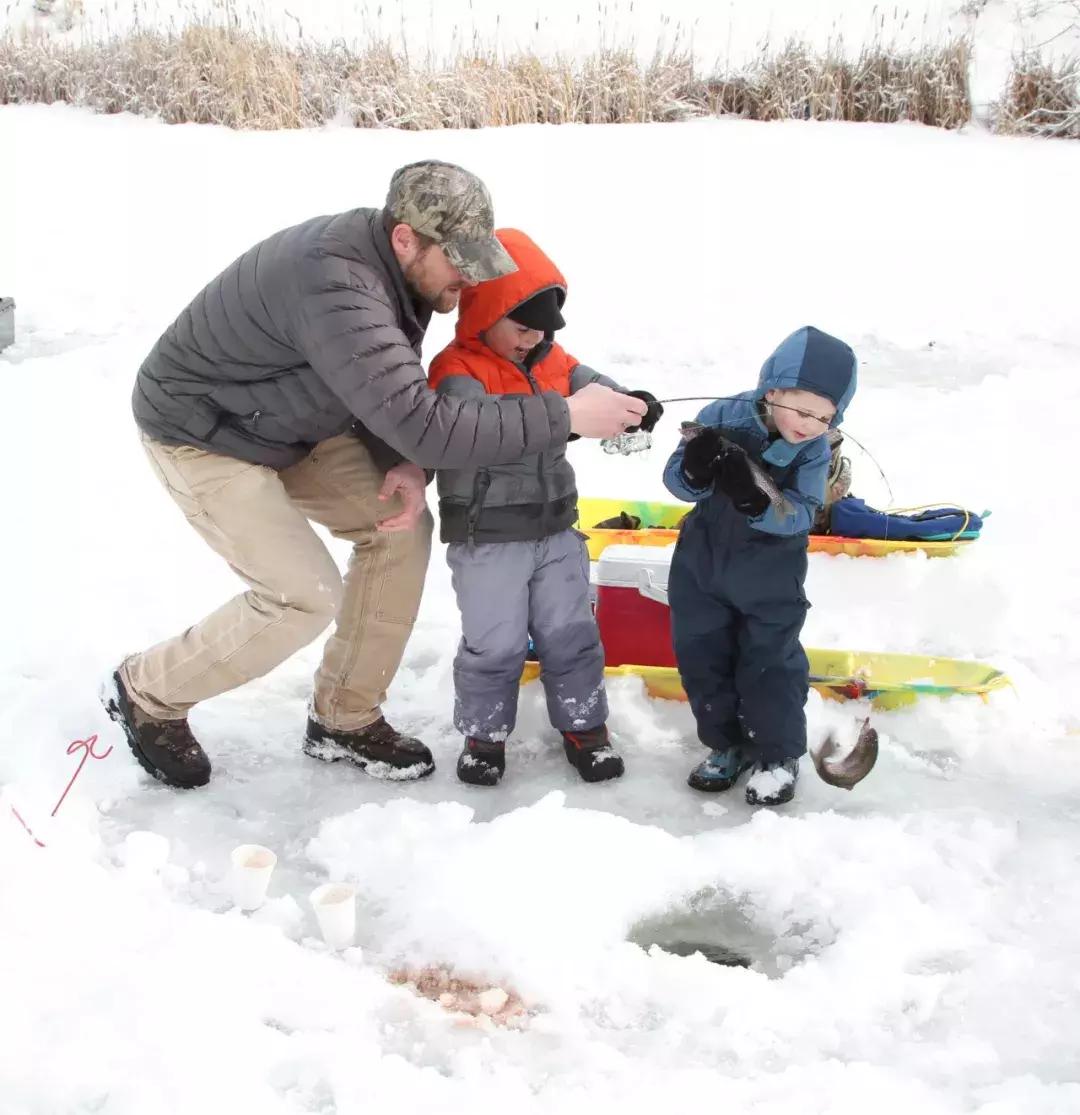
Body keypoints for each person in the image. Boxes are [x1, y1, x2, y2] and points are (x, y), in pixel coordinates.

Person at [102, 161, 647, 791]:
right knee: (302, 595)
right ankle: (147, 690)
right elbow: (430, 422)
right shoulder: (337, 285)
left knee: (398, 527)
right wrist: (567, 415)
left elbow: (383, 391)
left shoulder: (404, 274)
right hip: (205, 432)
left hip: (296, 418)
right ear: (406, 239)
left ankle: (344, 715)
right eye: (460, 261)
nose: (471, 279)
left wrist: (401, 463)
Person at [427, 229, 663, 786]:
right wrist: (564, 414)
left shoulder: (554, 359)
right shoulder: (456, 368)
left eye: (543, 331)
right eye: (522, 326)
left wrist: (633, 404)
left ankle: (585, 726)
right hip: (487, 539)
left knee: (571, 632)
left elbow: (595, 390)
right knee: (495, 641)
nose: (533, 341)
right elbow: (478, 428)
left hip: (557, 531)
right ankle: (484, 736)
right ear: (485, 309)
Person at [662, 326, 857, 806]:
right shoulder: (719, 417)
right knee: (702, 657)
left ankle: (776, 754)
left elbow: (803, 513)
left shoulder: (811, 449)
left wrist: (756, 502)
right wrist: (694, 470)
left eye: (825, 417)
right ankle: (725, 745)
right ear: (773, 391)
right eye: (803, 409)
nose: (810, 424)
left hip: (770, 575)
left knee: (770, 663)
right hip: (701, 565)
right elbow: (677, 480)